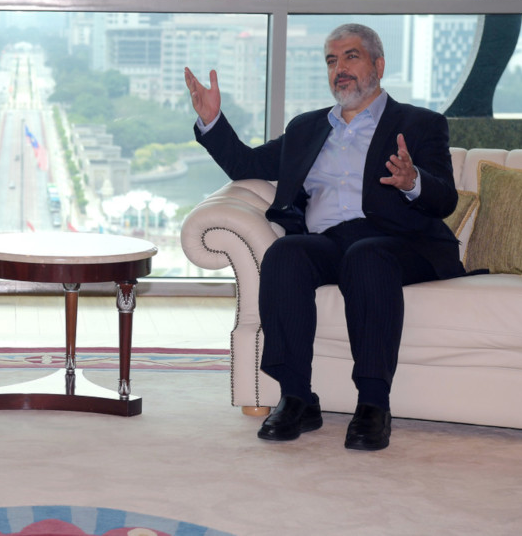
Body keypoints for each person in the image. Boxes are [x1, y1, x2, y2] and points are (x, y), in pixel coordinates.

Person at [185, 23, 464, 451]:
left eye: (351, 56)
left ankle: (373, 404)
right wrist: (212, 122)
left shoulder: (419, 123)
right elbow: (248, 164)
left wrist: (412, 181)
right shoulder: (307, 128)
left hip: (400, 242)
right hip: (331, 241)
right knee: (285, 253)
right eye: (332, 61)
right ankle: (297, 398)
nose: (340, 69)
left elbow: (444, 199)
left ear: (379, 65)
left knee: (368, 256)